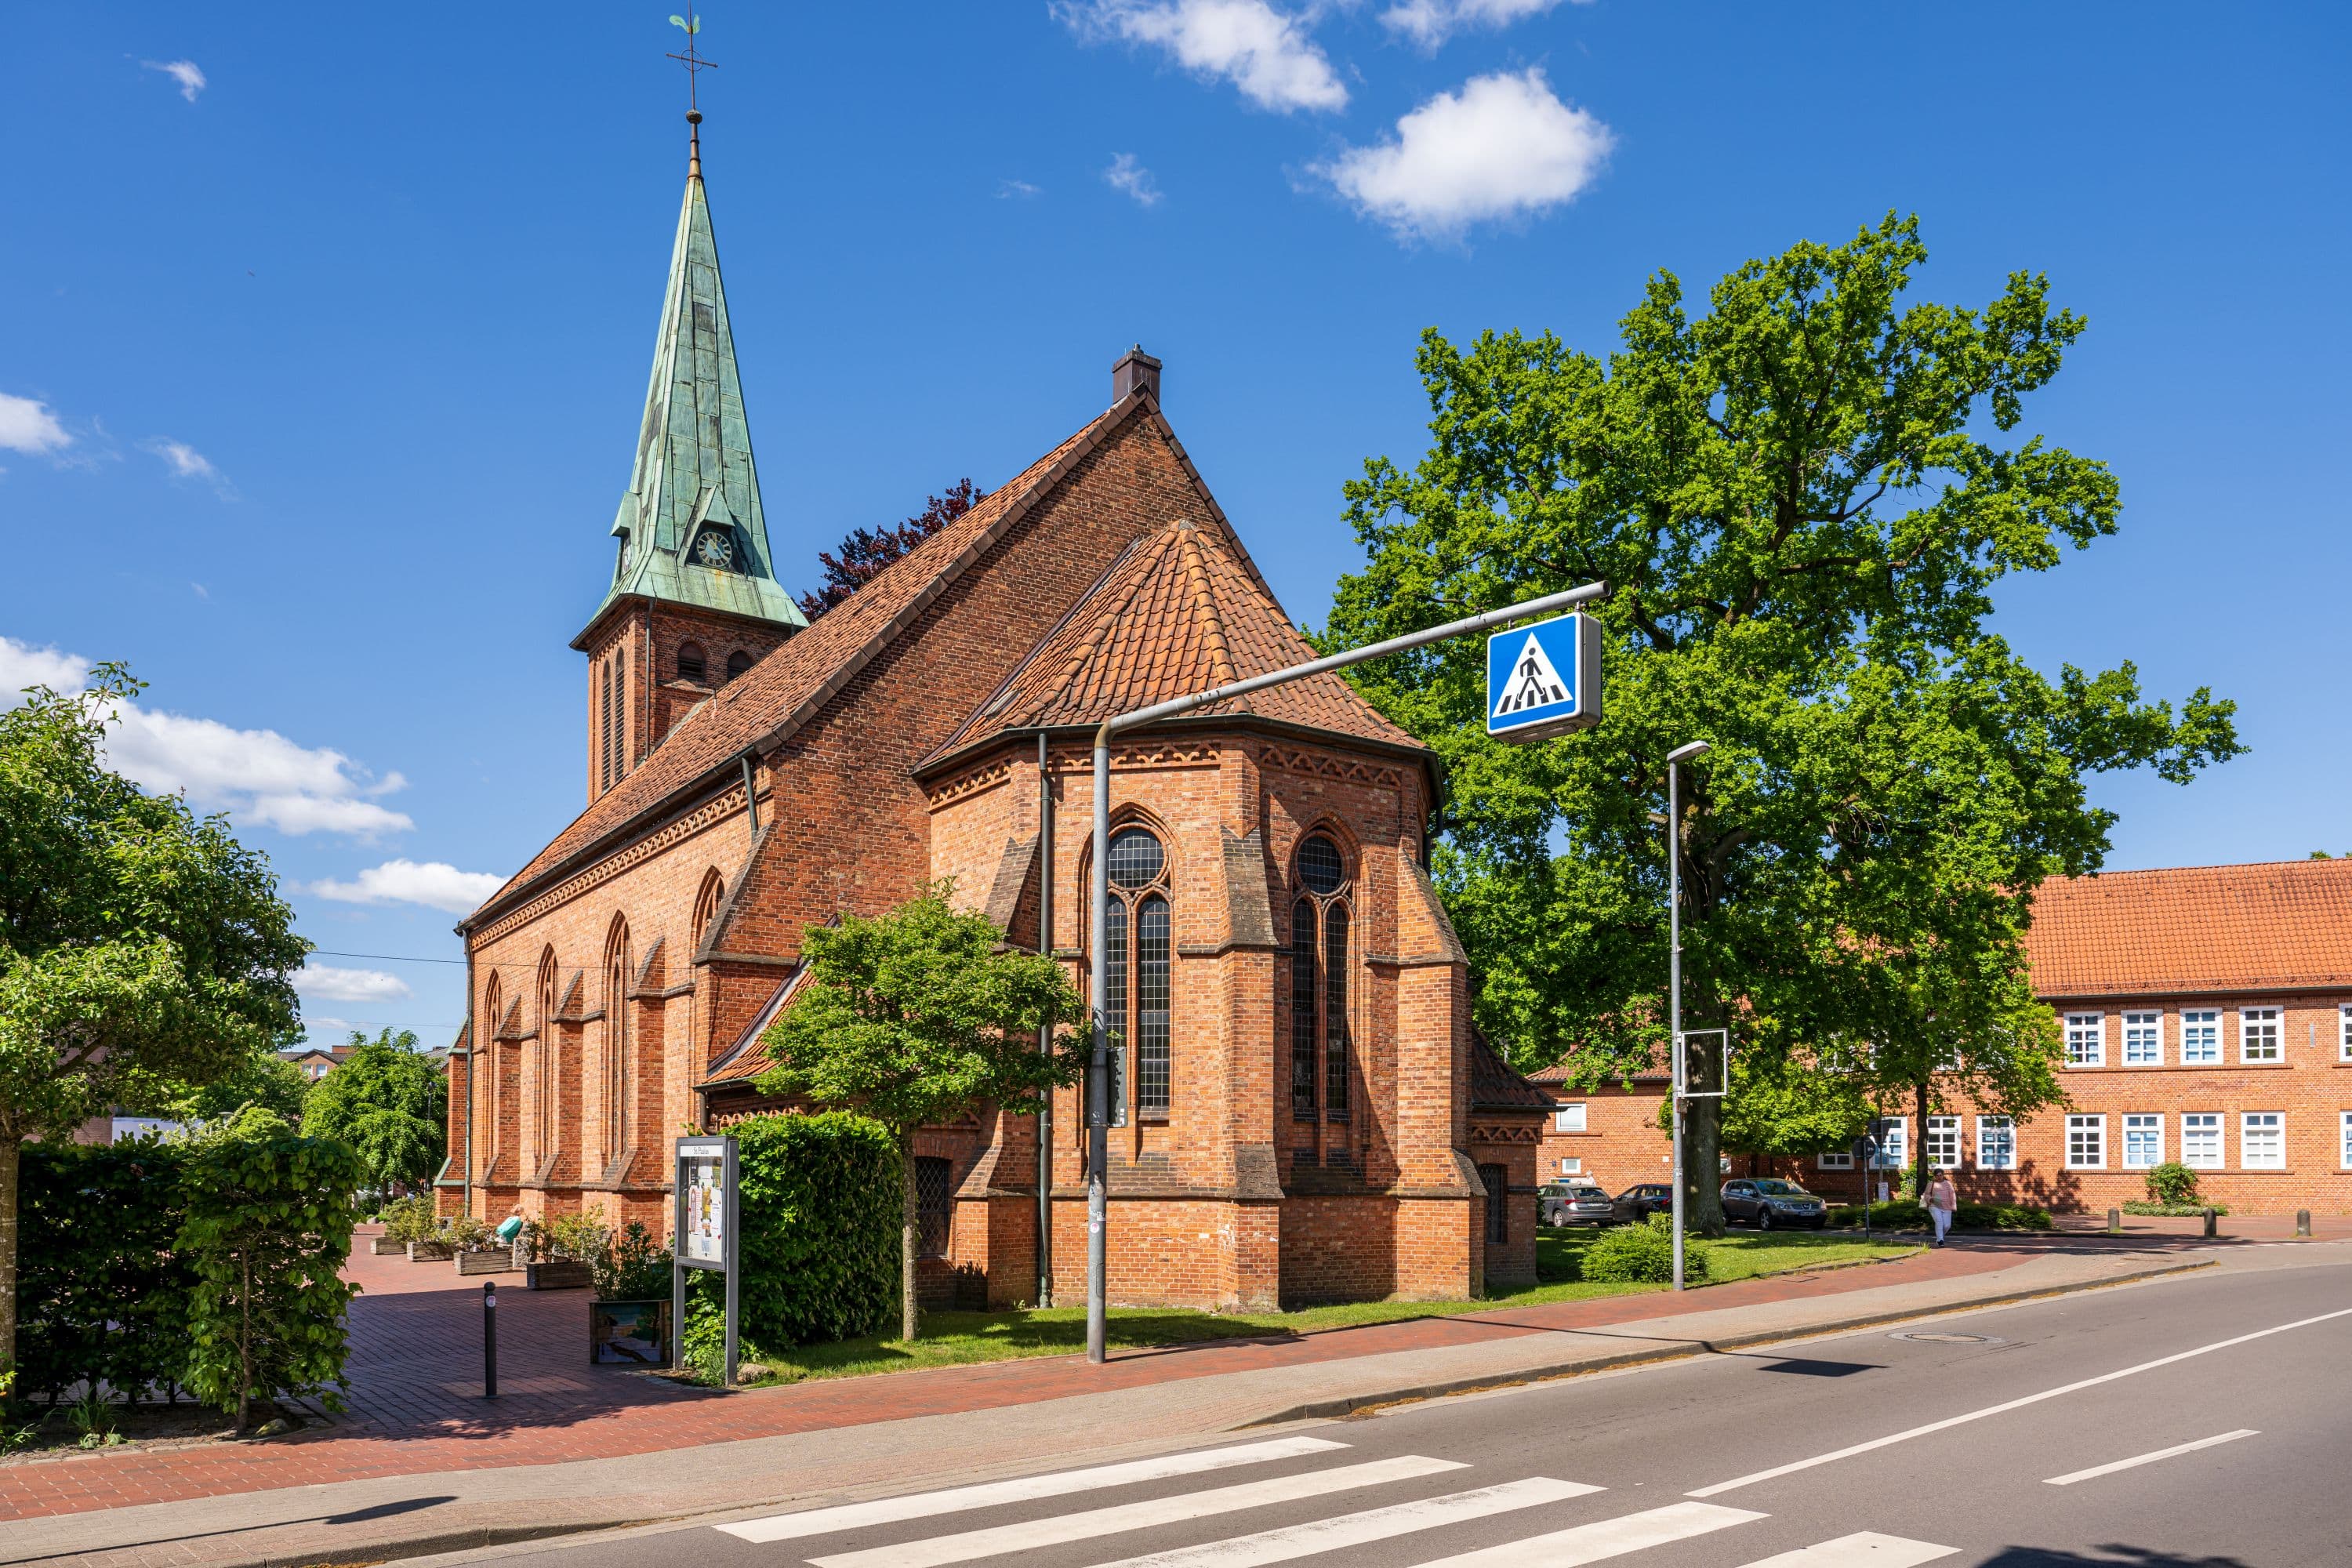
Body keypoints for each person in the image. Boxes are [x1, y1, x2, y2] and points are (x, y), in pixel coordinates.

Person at [1926, 1172, 1958, 1247]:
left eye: (1940, 1175)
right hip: (1934, 1206)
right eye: (1937, 1175)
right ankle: (1940, 1241)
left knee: (1947, 1226)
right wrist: (1930, 1199)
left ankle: (1939, 1237)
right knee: (1939, 1222)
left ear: (1943, 1176)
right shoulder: (1931, 1183)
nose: (1939, 1177)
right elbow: (1926, 1194)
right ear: (1934, 1176)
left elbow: (1952, 1195)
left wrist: (1953, 1206)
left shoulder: (1948, 1184)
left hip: (1947, 1207)